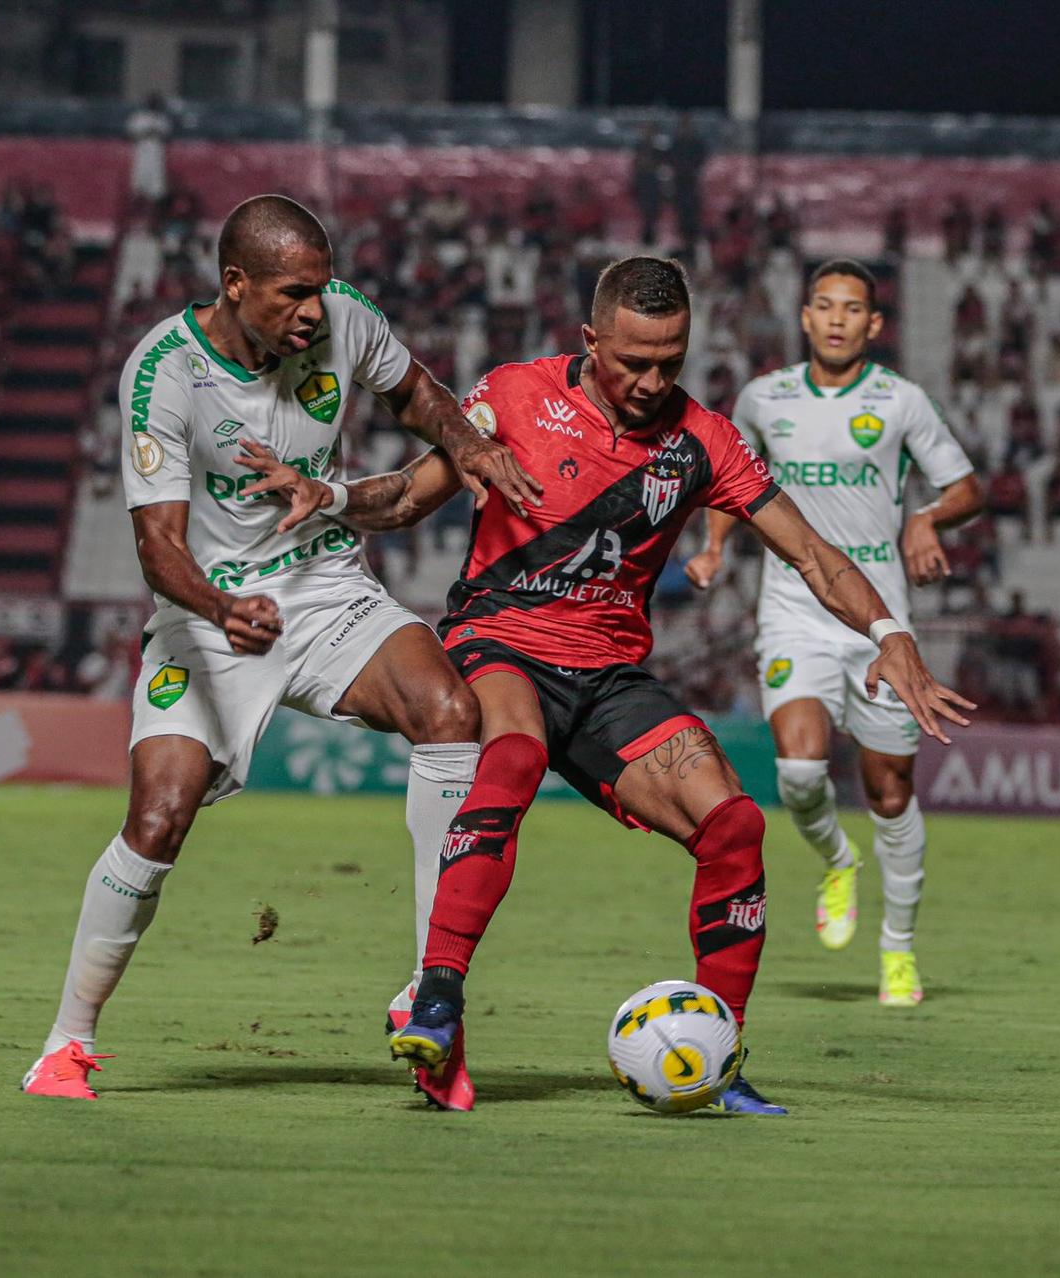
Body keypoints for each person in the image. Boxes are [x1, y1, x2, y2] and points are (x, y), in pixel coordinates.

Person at [329, 257, 973, 1114]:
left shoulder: (702, 440)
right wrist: (326, 496)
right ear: (592, 339)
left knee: (735, 825)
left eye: (670, 360)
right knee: (512, 757)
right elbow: (410, 496)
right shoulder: (516, 395)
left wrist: (889, 633)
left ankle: (724, 1055)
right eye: (632, 361)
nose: (651, 380)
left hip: (609, 677)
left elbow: (814, 552)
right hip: (501, 643)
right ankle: (436, 997)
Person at [19, 195, 542, 1109]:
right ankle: (66, 1043)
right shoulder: (165, 373)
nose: (314, 309)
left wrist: (467, 443)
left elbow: (417, 392)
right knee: (159, 818)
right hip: (210, 615)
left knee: (451, 715)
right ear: (236, 284)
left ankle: (430, 1000)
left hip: (326, 589)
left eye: (320, 287)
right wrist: (222, 607)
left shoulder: (344, 318)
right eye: (294, 292)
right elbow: (159, 548)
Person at [687, 258, 983, 1003]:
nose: (839, 318)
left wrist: (925, 516)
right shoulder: (764, 398)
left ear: (874, 325)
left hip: (882, 620)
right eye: (825, 305)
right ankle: (838, 861)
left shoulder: (901, 401)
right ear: (806, 317)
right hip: (792, 609)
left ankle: (898, 949)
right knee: (799, 771)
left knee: (889, 791)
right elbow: (731, 475)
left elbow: (967, 488)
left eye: (854, 308)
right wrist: (717, 544)